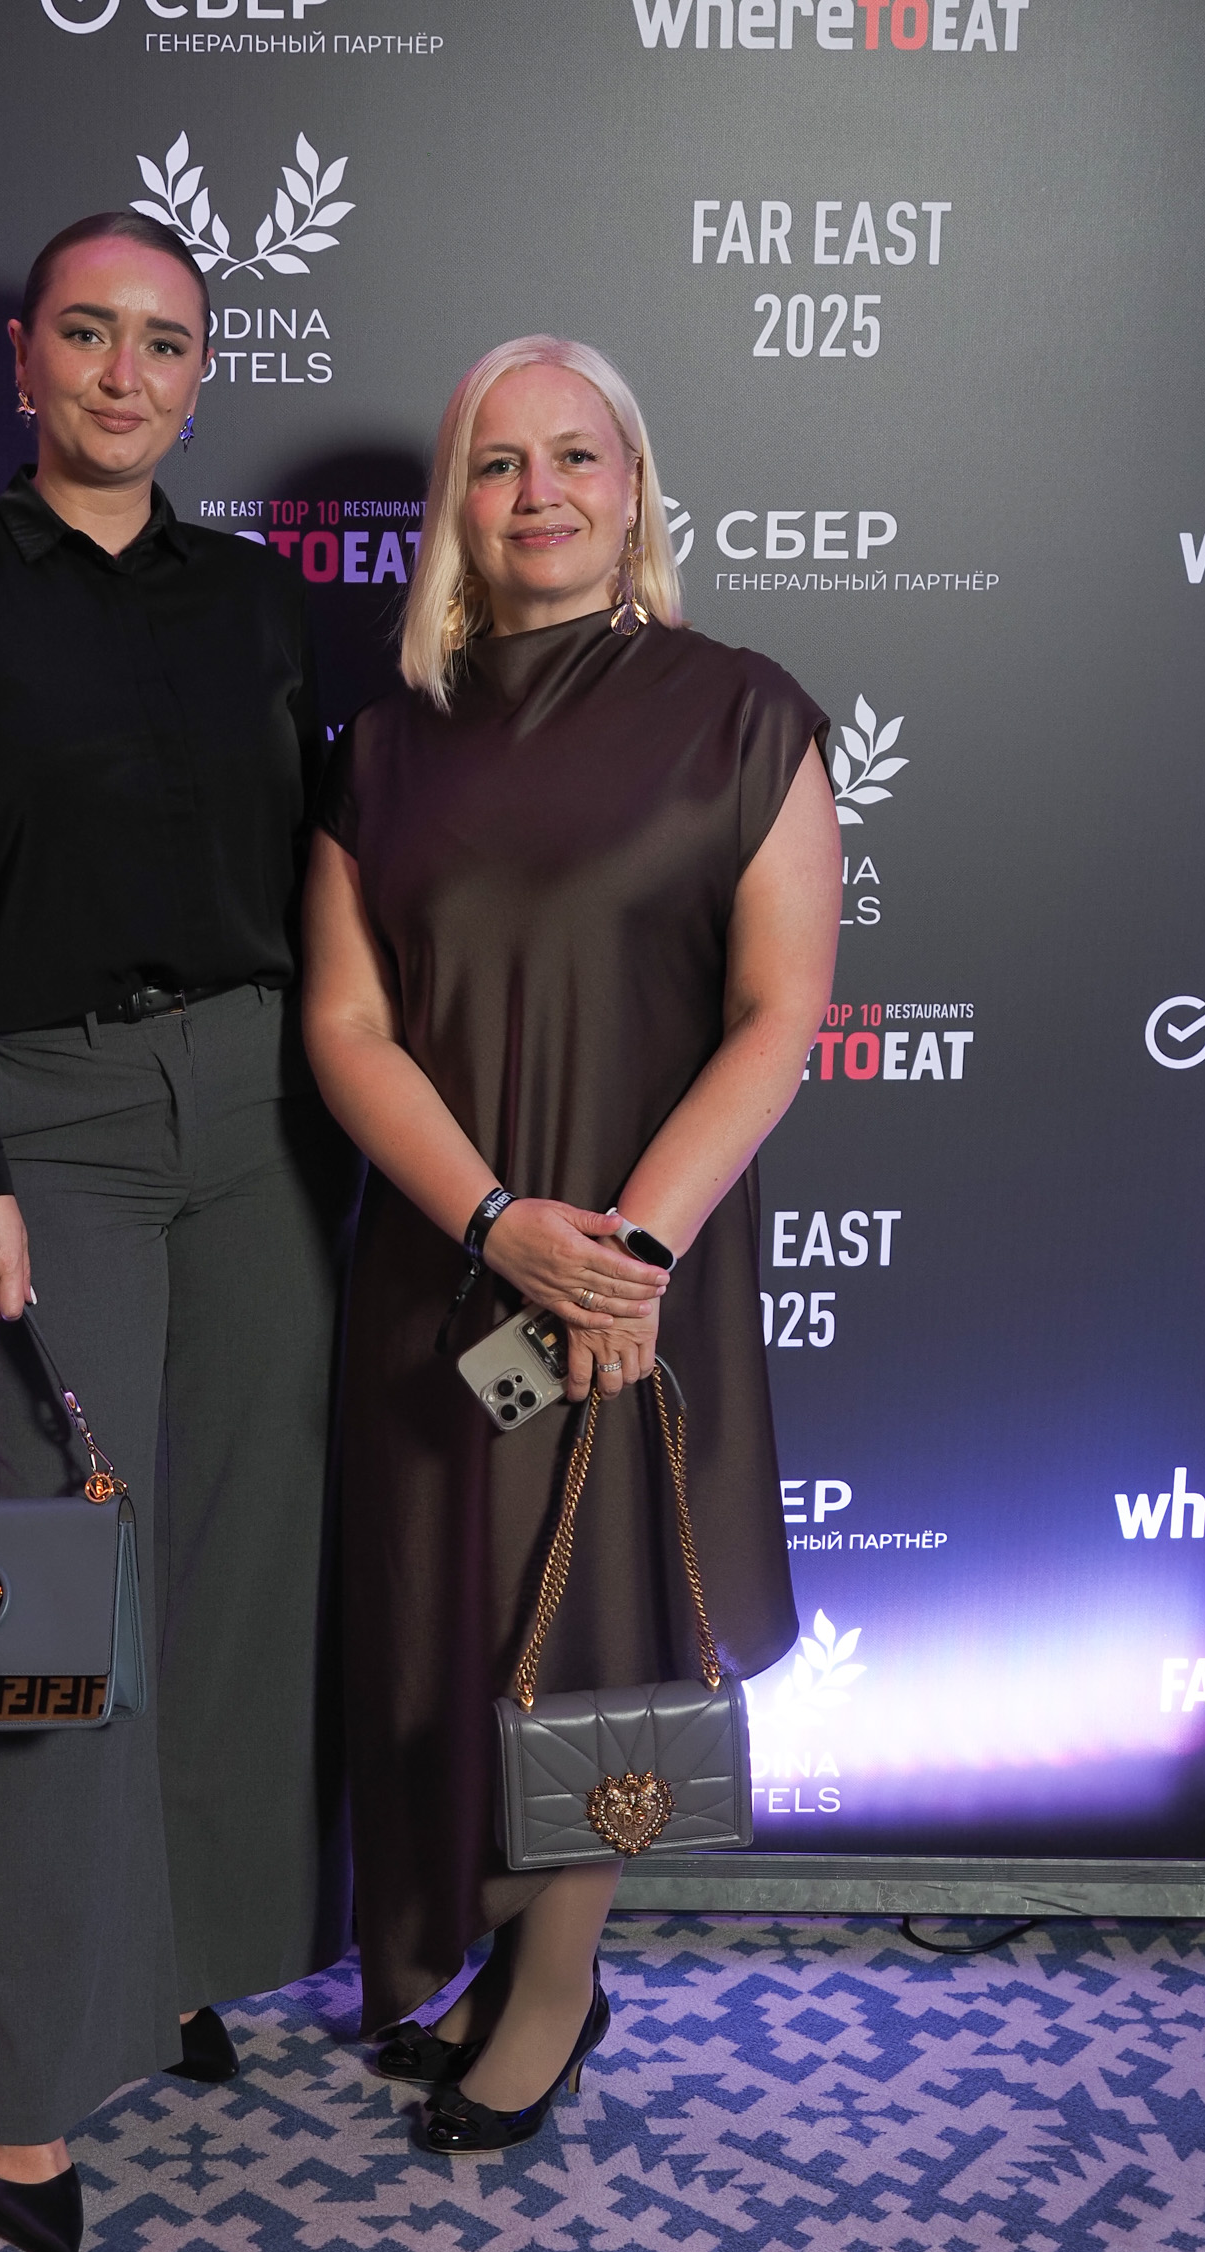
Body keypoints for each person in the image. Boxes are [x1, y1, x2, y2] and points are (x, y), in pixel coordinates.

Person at [0, 211, 354, 2252]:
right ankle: (29, 2080)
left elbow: (325, 878)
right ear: (26, 362)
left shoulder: (258, 601)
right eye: (87, 334)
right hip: (42, 1124)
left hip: (260, 1118)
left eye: (163, 342)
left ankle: (182, 1965)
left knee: (234, 1572)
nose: (124, 373)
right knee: (55, 1593)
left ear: (198, 378)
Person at [301, 335, 841, 2155]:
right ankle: (495, 1947)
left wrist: (623, 1256)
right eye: (497, 462)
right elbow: (346, 1024)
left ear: (634, 490)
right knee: (448, 1613)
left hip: (634, 1266)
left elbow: (778, 1015)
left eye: (577, 457)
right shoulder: (382, 745)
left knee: (594, 1616)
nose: (540, 494)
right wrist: (491, 1220)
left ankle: (550, 1989)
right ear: (456, 504)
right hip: (442, 1262)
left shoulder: (744, 713)